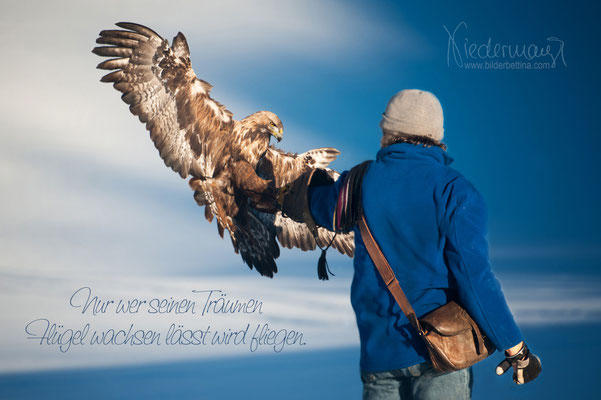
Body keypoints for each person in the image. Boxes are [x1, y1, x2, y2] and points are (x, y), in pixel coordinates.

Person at [278, 89, 541, 399]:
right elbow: (475, 279)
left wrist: (303, 184)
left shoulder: (359, 182)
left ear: (389, 132)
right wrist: (516, 349)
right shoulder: (454, 192)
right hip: (441, 356)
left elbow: (316, 206)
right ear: (435, 135)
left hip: (380, 358)